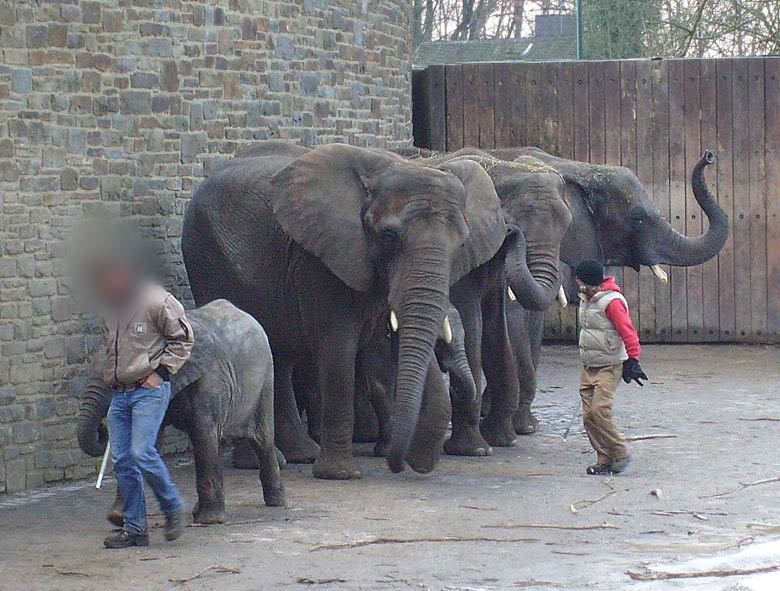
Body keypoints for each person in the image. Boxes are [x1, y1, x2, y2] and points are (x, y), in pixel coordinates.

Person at [94, 256, 194, 548]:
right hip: (120, 393)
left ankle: (172, 506)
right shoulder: (109, 308)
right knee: (122, 461)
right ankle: (135, 529)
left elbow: (184, 339)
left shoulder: (156, 301)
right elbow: (110, 349)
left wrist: (161, 373)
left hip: (148, 390)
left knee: (142, 452)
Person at [575, 260, 647, 476]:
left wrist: (632, 360)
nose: (576, 282)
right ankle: (604, 459)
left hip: (610, 364)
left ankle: (620, 452)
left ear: (586, 281)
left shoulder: (612, 302)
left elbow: (628, 331)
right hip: (590, 364)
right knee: (589, 416)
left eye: (579, 279)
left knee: (599, 409)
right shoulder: (585, 300)